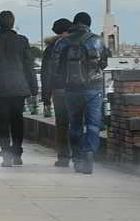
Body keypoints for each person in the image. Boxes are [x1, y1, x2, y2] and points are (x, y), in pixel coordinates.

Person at [52, 12, 110, 174]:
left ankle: (77, 158)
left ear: (74, 23)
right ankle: (89, 152)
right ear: (89, 24)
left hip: (71, 89)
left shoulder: (62, 42)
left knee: (75, 124)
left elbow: (56, 67)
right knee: (93, 124)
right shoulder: (97, 41)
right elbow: (104, 63)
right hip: (94, 88)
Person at [0, 11, 37, 167]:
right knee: (17, 121)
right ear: (12, 23)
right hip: (19, 87)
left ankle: (6, 154)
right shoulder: (22, 41)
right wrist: (34, 87)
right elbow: (29, 66)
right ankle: (17, 153)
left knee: (2, 122)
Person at [41, 18, 73, 167]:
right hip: (76, 89)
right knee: (77, 122)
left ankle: (63, 157)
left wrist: (46, 96)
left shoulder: (50, 48)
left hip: (58, 90)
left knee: (62, 124)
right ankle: (80, 155)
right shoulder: (76, 44)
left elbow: (46, 73)